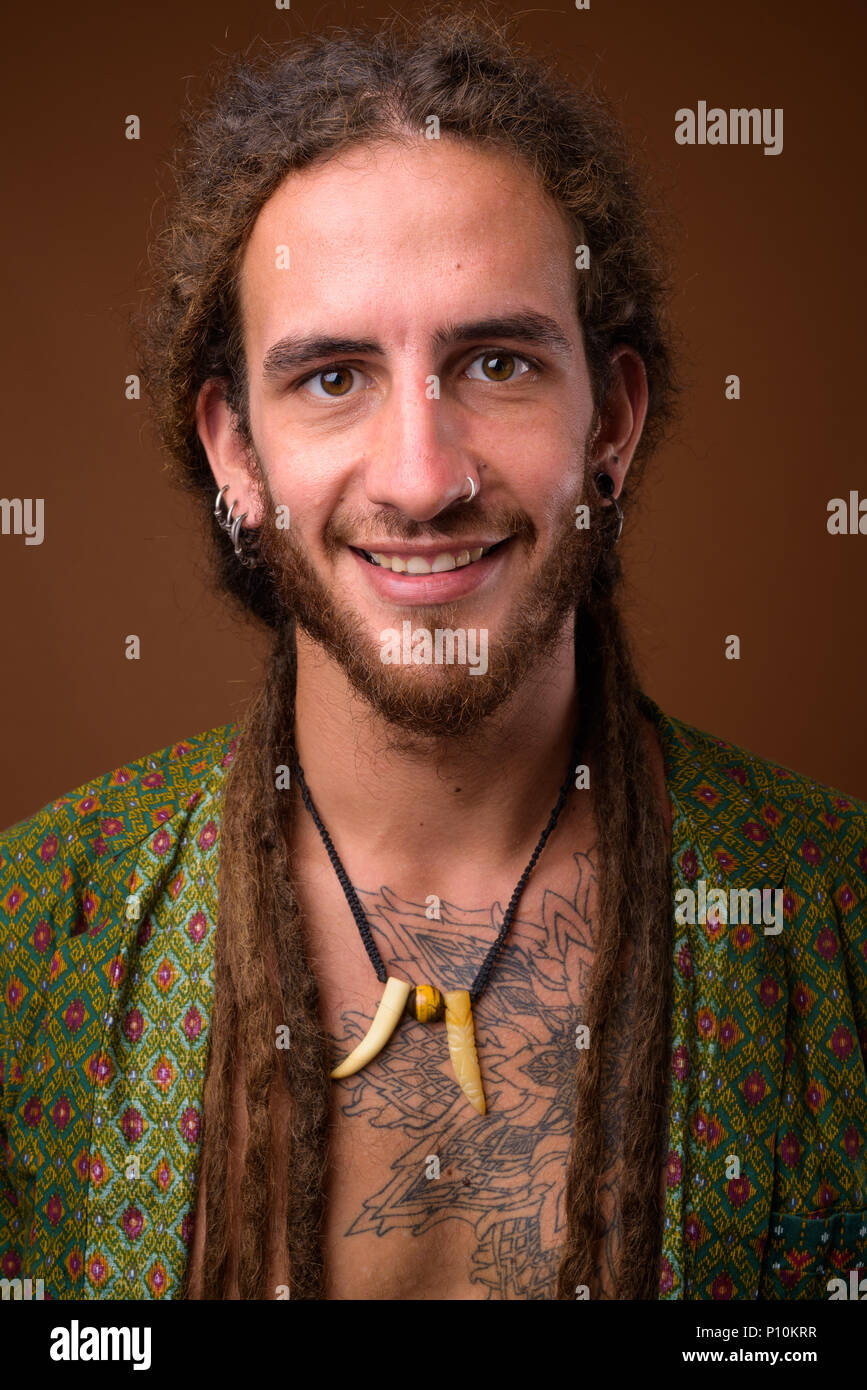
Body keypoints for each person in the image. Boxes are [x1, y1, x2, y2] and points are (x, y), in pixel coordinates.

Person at [1, 7, 864, 1303]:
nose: (421, 478)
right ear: (238, 453)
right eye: (334, 377)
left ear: (613, 421)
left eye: (498, 361)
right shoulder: (29, 946)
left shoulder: (841, 935)